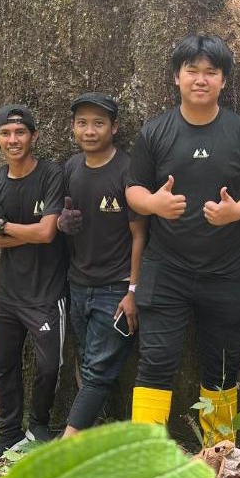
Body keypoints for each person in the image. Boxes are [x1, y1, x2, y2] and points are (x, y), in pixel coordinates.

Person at [125, 33, 240, 445]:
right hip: (166, 268)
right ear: (177, 77)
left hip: (225, 271)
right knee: (156, 362)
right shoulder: (156, 131)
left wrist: (236, 212)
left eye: (211, 72)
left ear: (224, 81)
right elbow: (133, 188)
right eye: (193, 70)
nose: (201, 79)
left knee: (223, 366)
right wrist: (154, 205)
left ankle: (219, 454)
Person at [57, 92, 148, 437]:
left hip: (116, 287)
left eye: (98, 123)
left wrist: (133, 290)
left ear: (114, 127)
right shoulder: (71, 169)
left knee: (99, 369)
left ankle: (68, 443)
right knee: (87, 361)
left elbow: (140, 235)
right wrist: (62, 224)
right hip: (78, 284)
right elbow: (62, 220)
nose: (89, 131)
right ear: (73, 128)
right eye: (82, 123)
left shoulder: (127, 170)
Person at [0, 104, 66, 455]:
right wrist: (23, 231)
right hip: (9, 294)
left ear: (34, 136)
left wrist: (6, 226)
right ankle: (9, 432)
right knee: (6, 365)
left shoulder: (50, 174)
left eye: (20, 133)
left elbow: (47, 233)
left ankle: (39, 424)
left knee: (49, 365)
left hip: (46, 292)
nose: (13, 140)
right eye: (6, 134)